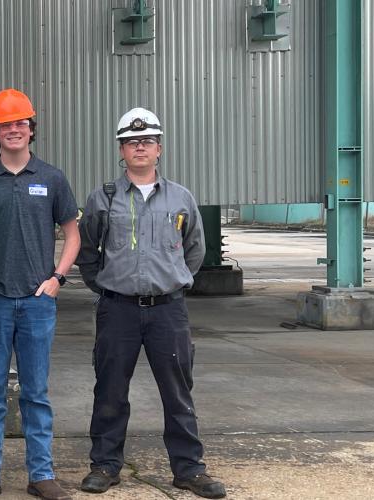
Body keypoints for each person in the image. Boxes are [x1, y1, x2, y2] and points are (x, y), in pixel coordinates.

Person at [75, 107, 225, 499]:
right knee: (110, 389)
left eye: (146, 141)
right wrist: (106, 286)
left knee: (178, 391)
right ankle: (105, 465)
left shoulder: (180, 198)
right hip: (118, 310)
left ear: (159, 148)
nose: (139, 148)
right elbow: (87, 252)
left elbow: (194, 250)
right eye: (131, 142)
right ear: (121, 150)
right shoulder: (103, 198)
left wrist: (172, 281)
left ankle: (189, 469)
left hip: (167, 311)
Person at [0, 89, 79, 500]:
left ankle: (41, 474)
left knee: (35, 393)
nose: (13, 130)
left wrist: (58, 278)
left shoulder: (52, 178)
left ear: (31, 129)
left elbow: (72, 233)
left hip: (37, 303)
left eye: (20, 123)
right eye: (5, 125)